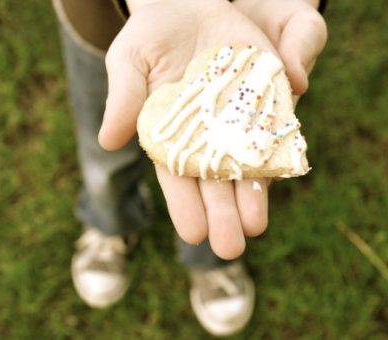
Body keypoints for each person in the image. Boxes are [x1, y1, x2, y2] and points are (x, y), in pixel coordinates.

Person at [53, 0, 327, 336]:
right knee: (105, 138)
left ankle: (212, 260)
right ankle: (109, 221)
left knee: (227, 193)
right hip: (102, 16)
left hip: (252, 18)